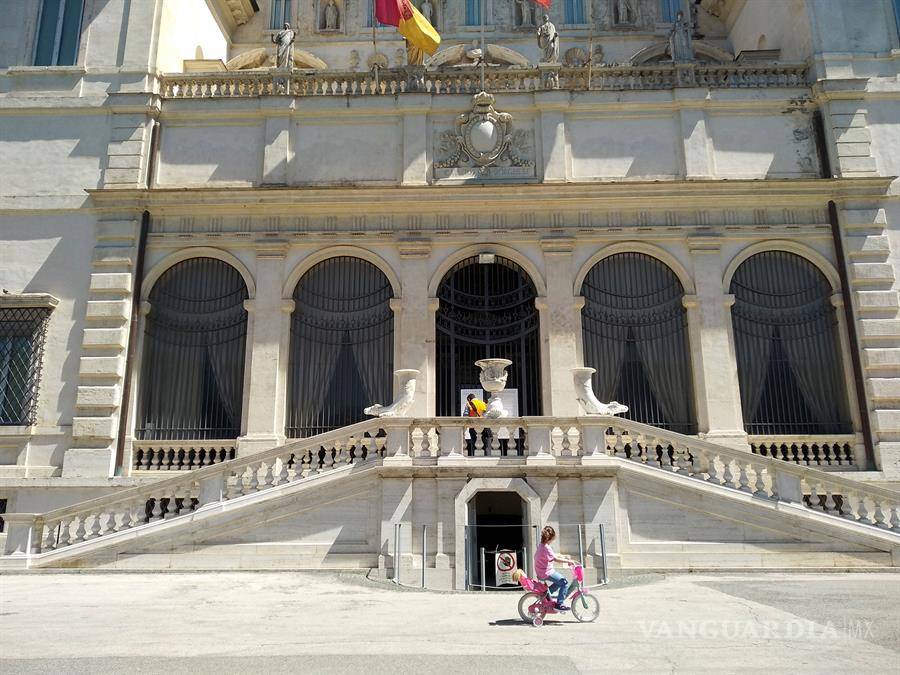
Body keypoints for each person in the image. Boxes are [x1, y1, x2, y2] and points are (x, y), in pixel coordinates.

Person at [535, 525, 575, 610]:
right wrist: (569, 561)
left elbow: (552, 555)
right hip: (545, 572)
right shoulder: (546, 547)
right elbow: (555, 559)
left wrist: (564, 557)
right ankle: (559, 604)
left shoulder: (542, 545)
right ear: (552, 537)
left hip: (542, 570)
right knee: (564, 582)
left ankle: (546, 595)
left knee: (558, 582)